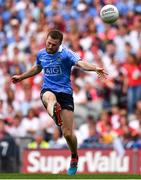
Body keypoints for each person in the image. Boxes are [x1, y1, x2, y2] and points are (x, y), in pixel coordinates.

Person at [11, 29, 107, 175]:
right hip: (48, 90)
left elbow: (81, 63)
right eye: (48, 43)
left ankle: (74, 156)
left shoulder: (66, 54)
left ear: (60, 44)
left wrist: (95, 68)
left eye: (53, 45)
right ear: (46, 39)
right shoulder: (41, 54)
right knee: (50, 98)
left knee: (68, 134)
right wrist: (21, 77)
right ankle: (55, 111)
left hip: (65, 94)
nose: (50, 46)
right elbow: (37, 67)